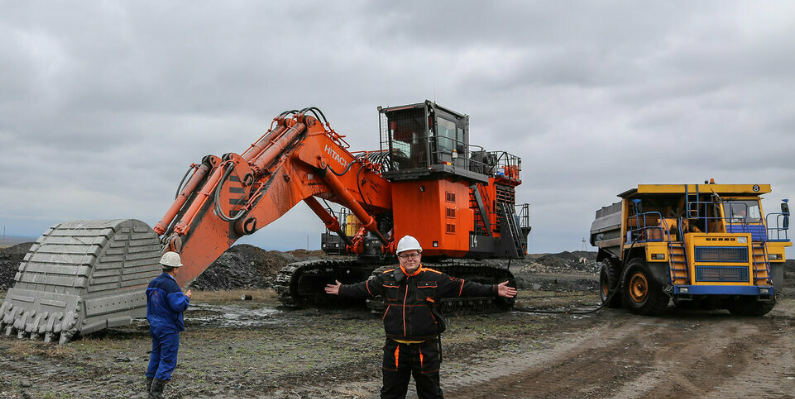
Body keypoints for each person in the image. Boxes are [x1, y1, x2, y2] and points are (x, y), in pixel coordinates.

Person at [325, 235, 517, 399]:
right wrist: (342, 289)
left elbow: (464, 287)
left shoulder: (435, 278)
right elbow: (363, 289)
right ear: (399, 257)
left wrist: (494, 289)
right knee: (391, 393)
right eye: (406, 255)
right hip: (396, 349)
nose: (410, 259)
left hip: (426, 349)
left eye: (414, 254)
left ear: (420, 255)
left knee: (430, 393)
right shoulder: (386, 278)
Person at [145, 251, 192, 399]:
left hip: (155, 325)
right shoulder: (172, 286)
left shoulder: (153, 283)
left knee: (156, 357)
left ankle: (150, 389)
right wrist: (186, 298)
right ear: (175, 269)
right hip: (168, 327)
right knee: (168, 359)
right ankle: (156, 393)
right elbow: (177, 306)